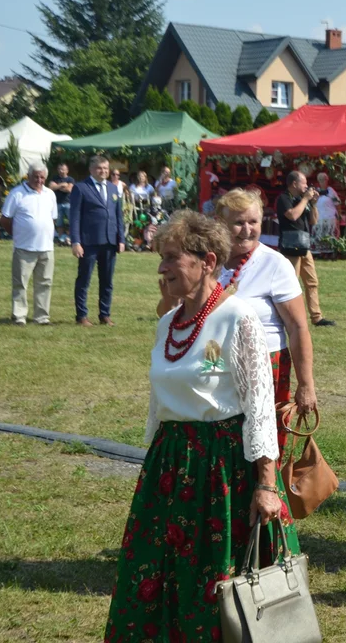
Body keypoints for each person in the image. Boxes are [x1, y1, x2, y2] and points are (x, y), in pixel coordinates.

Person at [104, 211, 299, 639]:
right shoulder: (166, 324)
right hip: (169, 466)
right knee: (155, 569)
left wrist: (266, 483)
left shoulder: (238, 318)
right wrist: (155, 460)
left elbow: (261, 405)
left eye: (171, 257)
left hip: (221, 469)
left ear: (207, 261)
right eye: (161, 257)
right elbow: (159, 403)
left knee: (218, 582)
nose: (161, 268)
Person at [215, 189, 318, 453]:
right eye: (238, 223)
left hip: (263, 370)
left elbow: (298, 328)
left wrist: (306, 385)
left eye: (254, 222)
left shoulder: (275, 265)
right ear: (220, 224)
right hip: (215, 366)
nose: (247, 230)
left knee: (262, 447)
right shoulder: (209, 263)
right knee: (220, 447)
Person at [0, 162, 58, 326]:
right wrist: (18, 234)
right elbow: (5, 219)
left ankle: (42, 316)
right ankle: (19, 316)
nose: (39, 180)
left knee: (45, 283)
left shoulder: (50, 194)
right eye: (35, 176)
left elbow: (52, 218)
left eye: (42, 177)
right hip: (24, 247)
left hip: (46, 247)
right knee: (20, 283)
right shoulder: (17, 193)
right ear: (29, 176)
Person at [69, 155, 124, 327]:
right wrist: (76, 241)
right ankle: (81, 316)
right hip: (89, 242)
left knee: (107, 281)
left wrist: (121, 238)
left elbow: (118, 215)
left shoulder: (113, 189)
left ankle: (105, 314)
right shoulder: (81, 188)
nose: (104, 171)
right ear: (92, 169)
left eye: (106, 168)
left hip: (109, 241)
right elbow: (75, 217)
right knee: (84, 280)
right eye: (100, 168)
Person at [277, 170, 334, 327]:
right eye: (304, 183)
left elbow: (313, 221)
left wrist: (313, 204)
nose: (307, 186)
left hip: (304, 245)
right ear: (294, 184)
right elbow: (293, 215)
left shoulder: (304, 200)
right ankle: (288, 316)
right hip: (290, 247)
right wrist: (305, 199)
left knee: (312, 282)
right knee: (291, 282)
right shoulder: (284, 198)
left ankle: (317, 317)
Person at [47, 162, 75, 246]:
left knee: (71, 222)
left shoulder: (70, 179)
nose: (61, 171)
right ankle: (61, 239)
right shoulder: (54, 178)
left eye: (63, 169)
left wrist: (57, 186)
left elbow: (69, 190)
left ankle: (70, 238)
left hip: (68, 203)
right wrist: (62, 185)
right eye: (59, 169)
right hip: (57, 203)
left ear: (67, 170)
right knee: (59, 223)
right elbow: (51, 188)